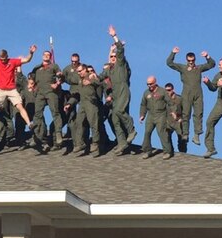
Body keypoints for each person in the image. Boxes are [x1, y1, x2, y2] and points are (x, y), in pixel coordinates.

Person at [166, 47, 215, 146]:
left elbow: (211, 64)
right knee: (185, 114)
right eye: (189, 61)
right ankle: (185, 134)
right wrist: (173, 53)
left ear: (195, 60)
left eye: (192, 61)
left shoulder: (199, 68)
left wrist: (207, 56)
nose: (191, 62)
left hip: (198, 93)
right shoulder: (183, 68)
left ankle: (197, 135)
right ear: (186, 60)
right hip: (186, 93)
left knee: (198, 113)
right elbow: (169, 63)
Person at [100, 25, 137, 155]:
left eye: (114, 57)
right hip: (115, 93)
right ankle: (122, 142)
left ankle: (131, 129)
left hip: (123, 89)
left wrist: (114, 36)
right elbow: (99, 78)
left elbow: (120, 49)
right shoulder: (108, 70)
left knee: (120, 111)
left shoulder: (120, 65)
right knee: (114, 118)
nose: (112, 59)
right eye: (111, 58)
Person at [64, 64, 102, 156]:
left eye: (81, 71)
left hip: (90, 103)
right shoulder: (79, 80)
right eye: (78, 71)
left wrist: (91, 81)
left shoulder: (91, 76)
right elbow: (70, 81)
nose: (79, 73)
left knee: (93, 123)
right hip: (82, 104)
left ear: (85, 70)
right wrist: (69, 103)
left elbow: (98, 82)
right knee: (79, 122)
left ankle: (95, 143)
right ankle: (80, 143)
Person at [31, 50, 64, 150]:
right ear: (42, 56)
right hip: (40, 93)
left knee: (55, 113)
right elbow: (32, 78)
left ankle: (58, 134)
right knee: (37, 114)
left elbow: (61, 76)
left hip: (51, 92)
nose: (46, 56)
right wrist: (34, 88)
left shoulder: (54, 66)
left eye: (48, 55)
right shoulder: (37, 68)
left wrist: (57, 84)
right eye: (45, 55)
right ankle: (36, 136)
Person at [139, 76, 175, 160]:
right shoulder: (146, 93)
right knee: (147, 132)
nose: (149, 86)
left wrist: (173, 112)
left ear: (155, 82)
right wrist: (142, 115)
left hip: (160, 114)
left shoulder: (162, 91)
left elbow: (170, 102)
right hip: (150, 115)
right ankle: (147, 151)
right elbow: (143, 104)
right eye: (147, 84)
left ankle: (167, 151)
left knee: (161, 132)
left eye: (151, 84)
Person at [164, 82, 187, 153]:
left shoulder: (179, 99)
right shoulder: (164, 100)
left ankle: (182, 152)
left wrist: (182, 119)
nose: (168, 92)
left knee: (181, 139)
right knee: (166, 137)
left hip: (178, 120)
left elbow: (185, 110)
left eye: (169, 90)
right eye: (166, 90)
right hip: (168, 121)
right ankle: (170, 151)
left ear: (173, 90)